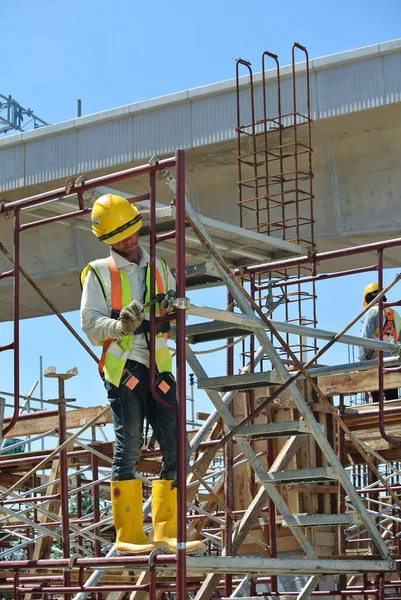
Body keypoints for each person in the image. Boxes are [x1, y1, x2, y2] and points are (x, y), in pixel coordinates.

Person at [80, 193, 204, 555]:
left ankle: (168, 532)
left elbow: (178, 310)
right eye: (120, 235)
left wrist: (172, 306)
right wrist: (120, 325)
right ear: (108, 239)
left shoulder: (160, 268)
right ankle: (129, 534)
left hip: (159, 366)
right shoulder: (99, 272)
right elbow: (90, 323)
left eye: (132, 230)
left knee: (176, 447)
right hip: (124, 368)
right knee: (129, 447)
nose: (129, 239)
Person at [358, 282, 401, 402]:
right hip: (393, 364)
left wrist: (362, 364)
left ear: (368, 298)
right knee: (393, 399)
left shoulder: (372, 312)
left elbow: (364, 340)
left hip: (375, 364)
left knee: (376, 402)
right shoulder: (396, 314)